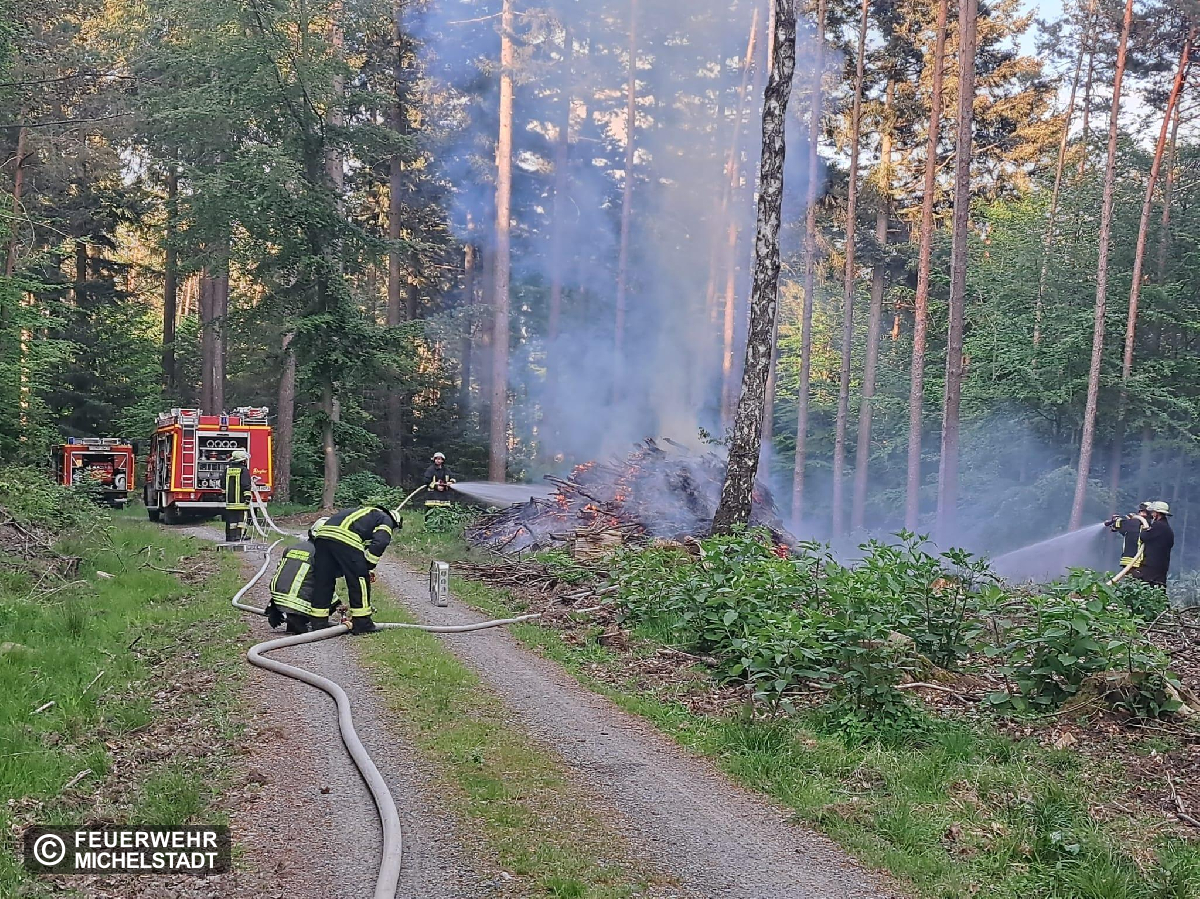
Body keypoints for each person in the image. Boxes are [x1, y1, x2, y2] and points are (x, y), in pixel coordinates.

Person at [309, 499, 400, 634]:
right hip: (345, 537)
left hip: (322, 537)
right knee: (359, 579)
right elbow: (381, 542)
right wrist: (367, 565)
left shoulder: (363, 513)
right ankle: (362, 622)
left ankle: (318, 622)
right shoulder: (385, 519)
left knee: (323, 580)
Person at [265, 517, 332, 634]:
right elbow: (325, 583)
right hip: (297, 600)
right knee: (328, 591)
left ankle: (282, 610)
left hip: (277, 594)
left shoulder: (291, 548)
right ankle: (299, 618)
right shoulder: (320, 554)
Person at [1131, 501, 1175, 590]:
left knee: (1138, 583)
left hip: (1151, 566)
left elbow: (1144, 536)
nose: (1151, 514)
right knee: (1158, 589)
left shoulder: (1158, 526)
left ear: (1156, 513)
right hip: (1161, 566)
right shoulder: (1167, 528)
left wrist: (1144, 529)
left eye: (1153, 512)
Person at [1105, 502, 1150, 574]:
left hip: (1132, 560)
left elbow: (1119, 524)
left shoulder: (1135, 523)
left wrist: (1116, 519)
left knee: (1130, 578)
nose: (1140, 512)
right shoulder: (1150, 524)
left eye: (1142, 511)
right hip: (1142, 562)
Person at [224, 449, 252, 542]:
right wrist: (247, 497)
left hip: (230, 502)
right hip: (241, 502)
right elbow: (246, 485)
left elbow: (222, 484)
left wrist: (225, 495)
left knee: (231, 520)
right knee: (241, 520)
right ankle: (240, 535)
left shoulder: (227, 470)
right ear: (242, 461)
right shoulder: (244, 470)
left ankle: (230, 536)